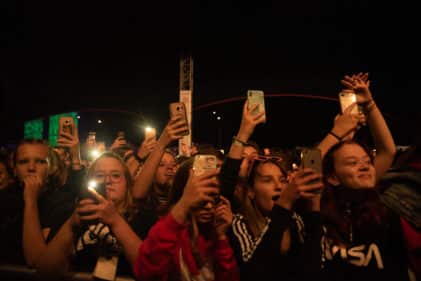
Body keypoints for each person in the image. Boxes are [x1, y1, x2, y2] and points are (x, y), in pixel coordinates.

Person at [319, 73, 409, 280]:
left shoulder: (382, 208)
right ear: (332, 177)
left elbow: (388, 151)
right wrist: (336, 132)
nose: (364, 167)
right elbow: (309, 166)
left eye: (367, 161)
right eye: (352, 163)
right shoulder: (317, 207)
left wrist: (369, 104)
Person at [23, 152, 152, 280]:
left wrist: (116, 221)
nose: (107, 181)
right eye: (100, 176)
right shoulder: (70, 214)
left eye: (116, 175)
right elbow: (45, 272)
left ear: (127, 183)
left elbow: (150, 272)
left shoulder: (143, 217)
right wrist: (71, 226)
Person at [133, 158, 239, 281]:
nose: (209, 206)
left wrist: (221, 238)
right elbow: (145, 273)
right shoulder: (168, 229)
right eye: (201, 199)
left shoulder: (216, 230)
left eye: (213, 198)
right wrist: (182, 207)